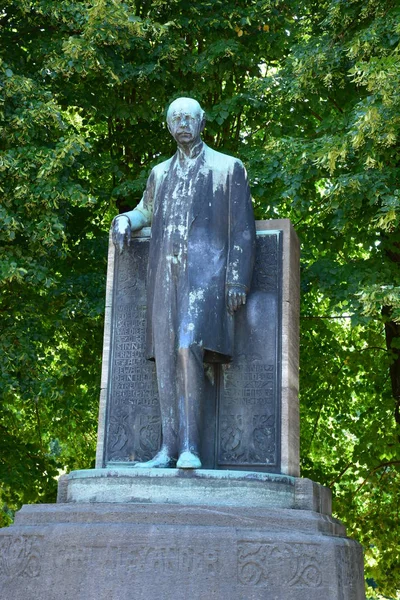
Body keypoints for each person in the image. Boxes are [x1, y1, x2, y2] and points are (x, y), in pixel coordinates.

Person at [112, 97, 255, 469]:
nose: (183, 123)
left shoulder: (228, 168)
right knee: (165, 358)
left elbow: (242, 229)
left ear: (203, 122)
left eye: (189, 117)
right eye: (175, 117)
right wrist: (126, 219)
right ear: (168, 125)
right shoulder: (159, 173)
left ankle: (190, 447)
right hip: (165, 277)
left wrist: (236, 279)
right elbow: (146, 209)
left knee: (187, 347)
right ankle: (167, 449)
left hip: (206, 278)